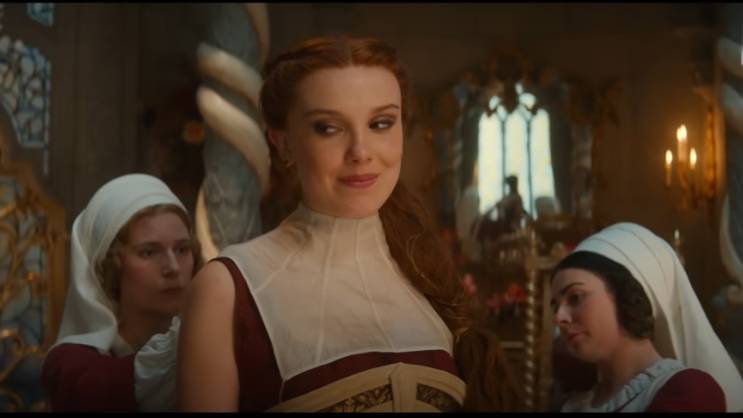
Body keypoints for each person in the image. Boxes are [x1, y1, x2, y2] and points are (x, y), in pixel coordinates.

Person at [177, 35, 521, 412]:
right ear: (283, 142)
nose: (360, 152)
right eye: (328, 127)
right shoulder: (227, 290)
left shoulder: (426, 273)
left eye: (381, 123)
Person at [41, 173, 202, 411]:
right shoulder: (69, 364)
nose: (173, 267)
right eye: (149, 252)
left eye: (182, 249)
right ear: (111, 265)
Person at [550, 222, 743, 412]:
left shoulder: (690, 392)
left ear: (626, 294)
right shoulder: (575, 402)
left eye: (575, 297)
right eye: (555, 307)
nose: (559, 318)